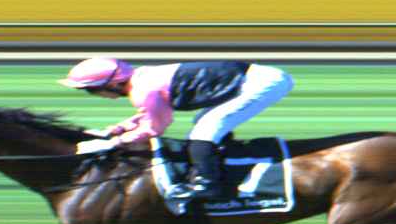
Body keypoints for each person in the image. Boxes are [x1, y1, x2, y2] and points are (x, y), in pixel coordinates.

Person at [61, 57, 296, 202]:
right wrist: (114, 130)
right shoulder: (141, 80)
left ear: (113, 83)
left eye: (92, 90)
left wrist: (115, 142)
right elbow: (149, 114)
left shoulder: (144, 89)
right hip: (251, 78)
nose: (94, 95)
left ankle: (208, 186)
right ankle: (224, 157)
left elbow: (155, 127)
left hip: (261, 83)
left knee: (204, 132)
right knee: (204, 124)